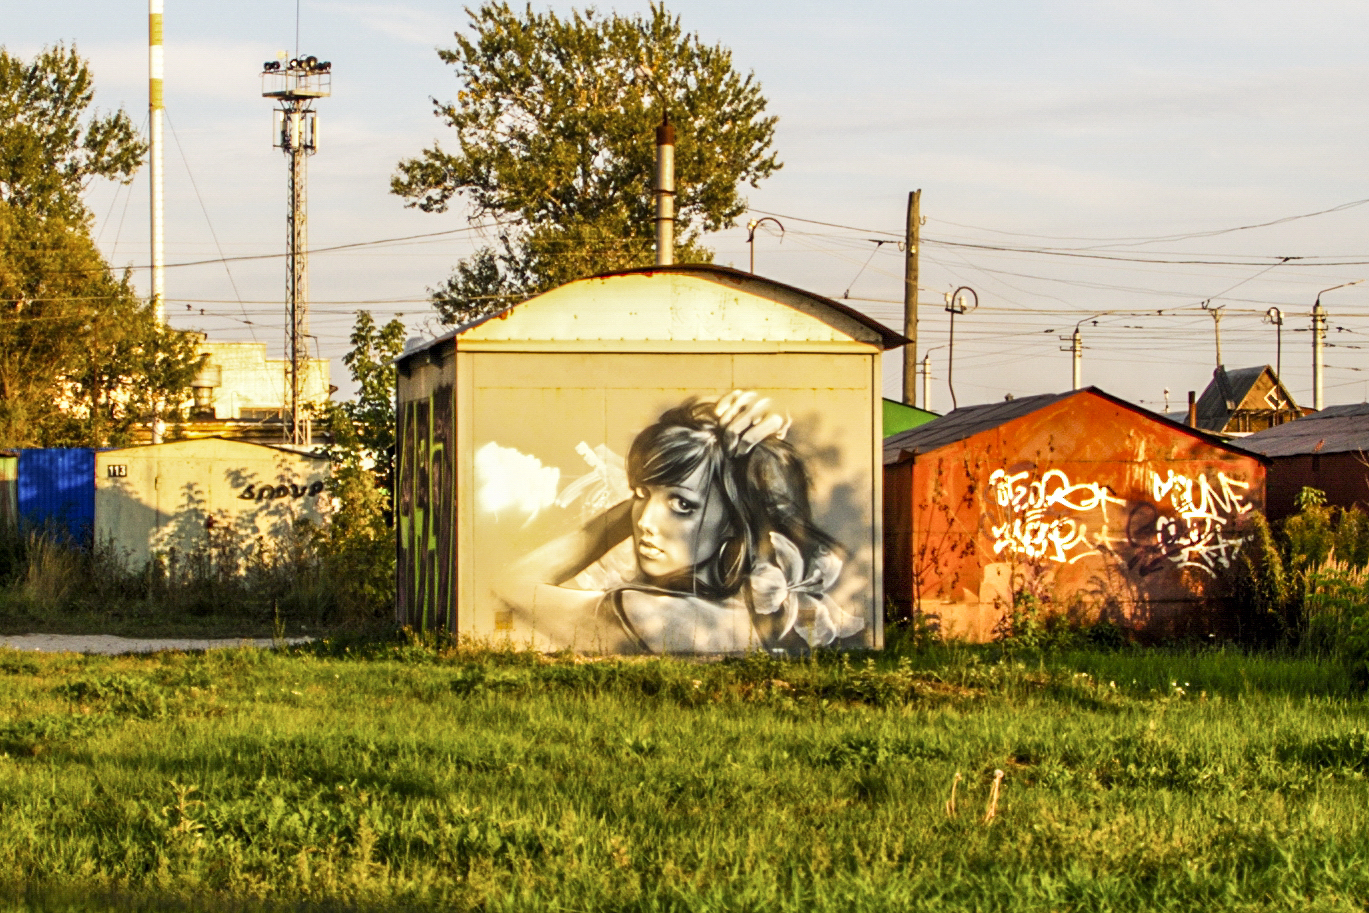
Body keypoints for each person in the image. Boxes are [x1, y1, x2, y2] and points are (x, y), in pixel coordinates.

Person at [493, 391, 865, 653]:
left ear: (735, 521)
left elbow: (512, 584)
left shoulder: (647, 613)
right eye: (641, 494)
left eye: (681, 504)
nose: (646, 523)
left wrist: (625, 512)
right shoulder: (766, 609)